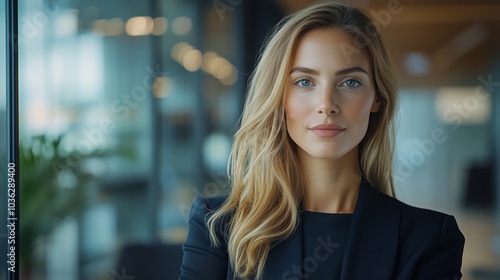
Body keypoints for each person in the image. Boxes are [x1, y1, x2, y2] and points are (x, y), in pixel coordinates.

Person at [179, 1, 465, 279]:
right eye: (305, 82)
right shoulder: (216, 225)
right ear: (279, 97)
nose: (326, 104)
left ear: (376, 98)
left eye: (350, 82)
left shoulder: (430, 238)